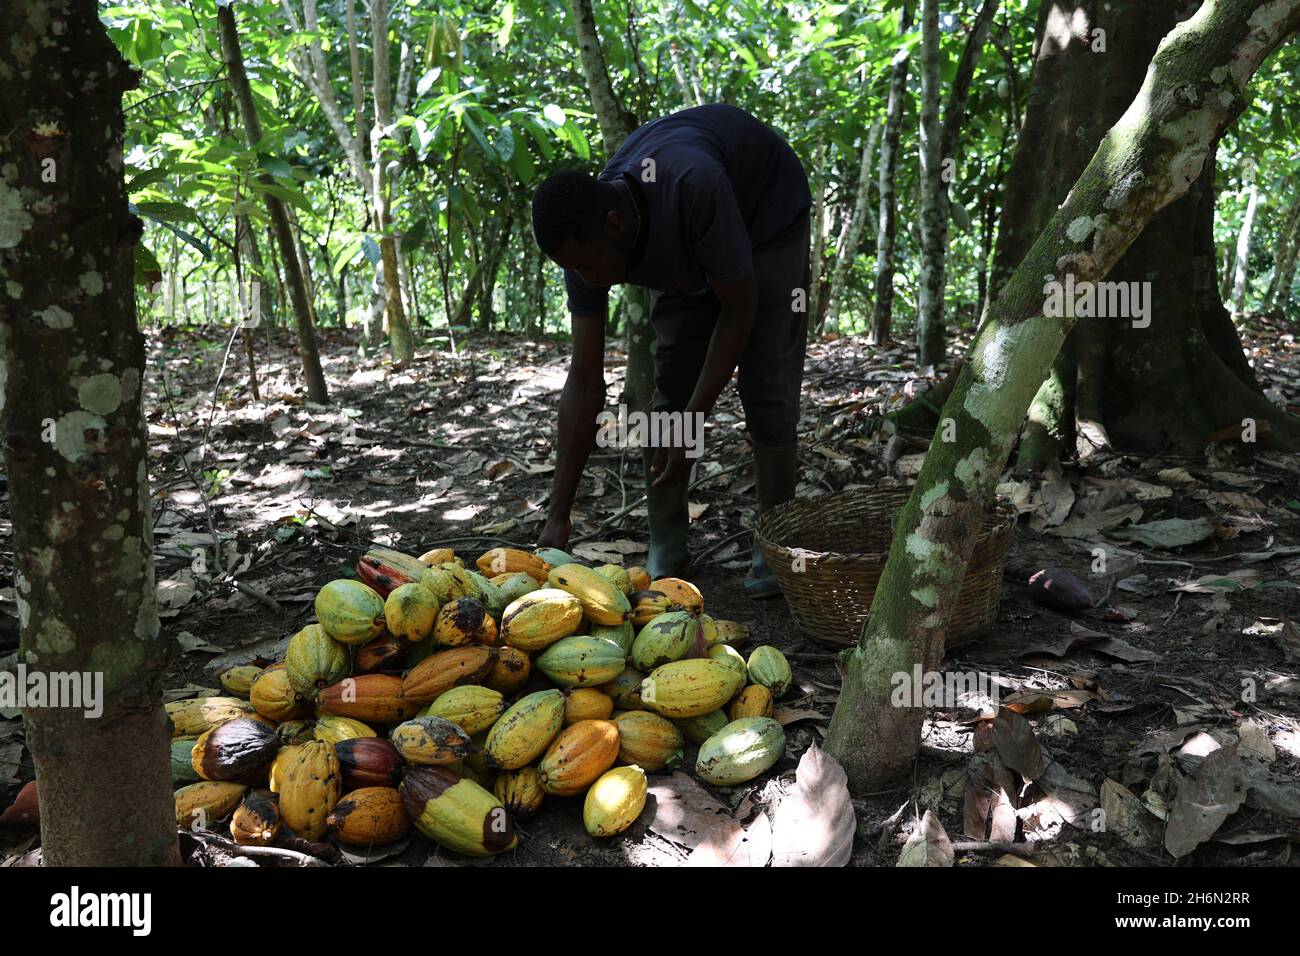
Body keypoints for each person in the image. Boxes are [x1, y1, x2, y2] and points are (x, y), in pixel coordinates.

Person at [530, 103, 811, 598]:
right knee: (672, 384)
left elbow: (740, 310)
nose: (589, 280)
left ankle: (776, 543)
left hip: (766, 218)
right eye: (575, 271)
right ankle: (668, 546)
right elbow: (584, 380)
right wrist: (559, 515)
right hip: (682, 246)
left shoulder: (691, 184)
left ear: (615, 226)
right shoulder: (587, 245)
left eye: (591, 267)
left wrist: (696, 421)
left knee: (766, 381)